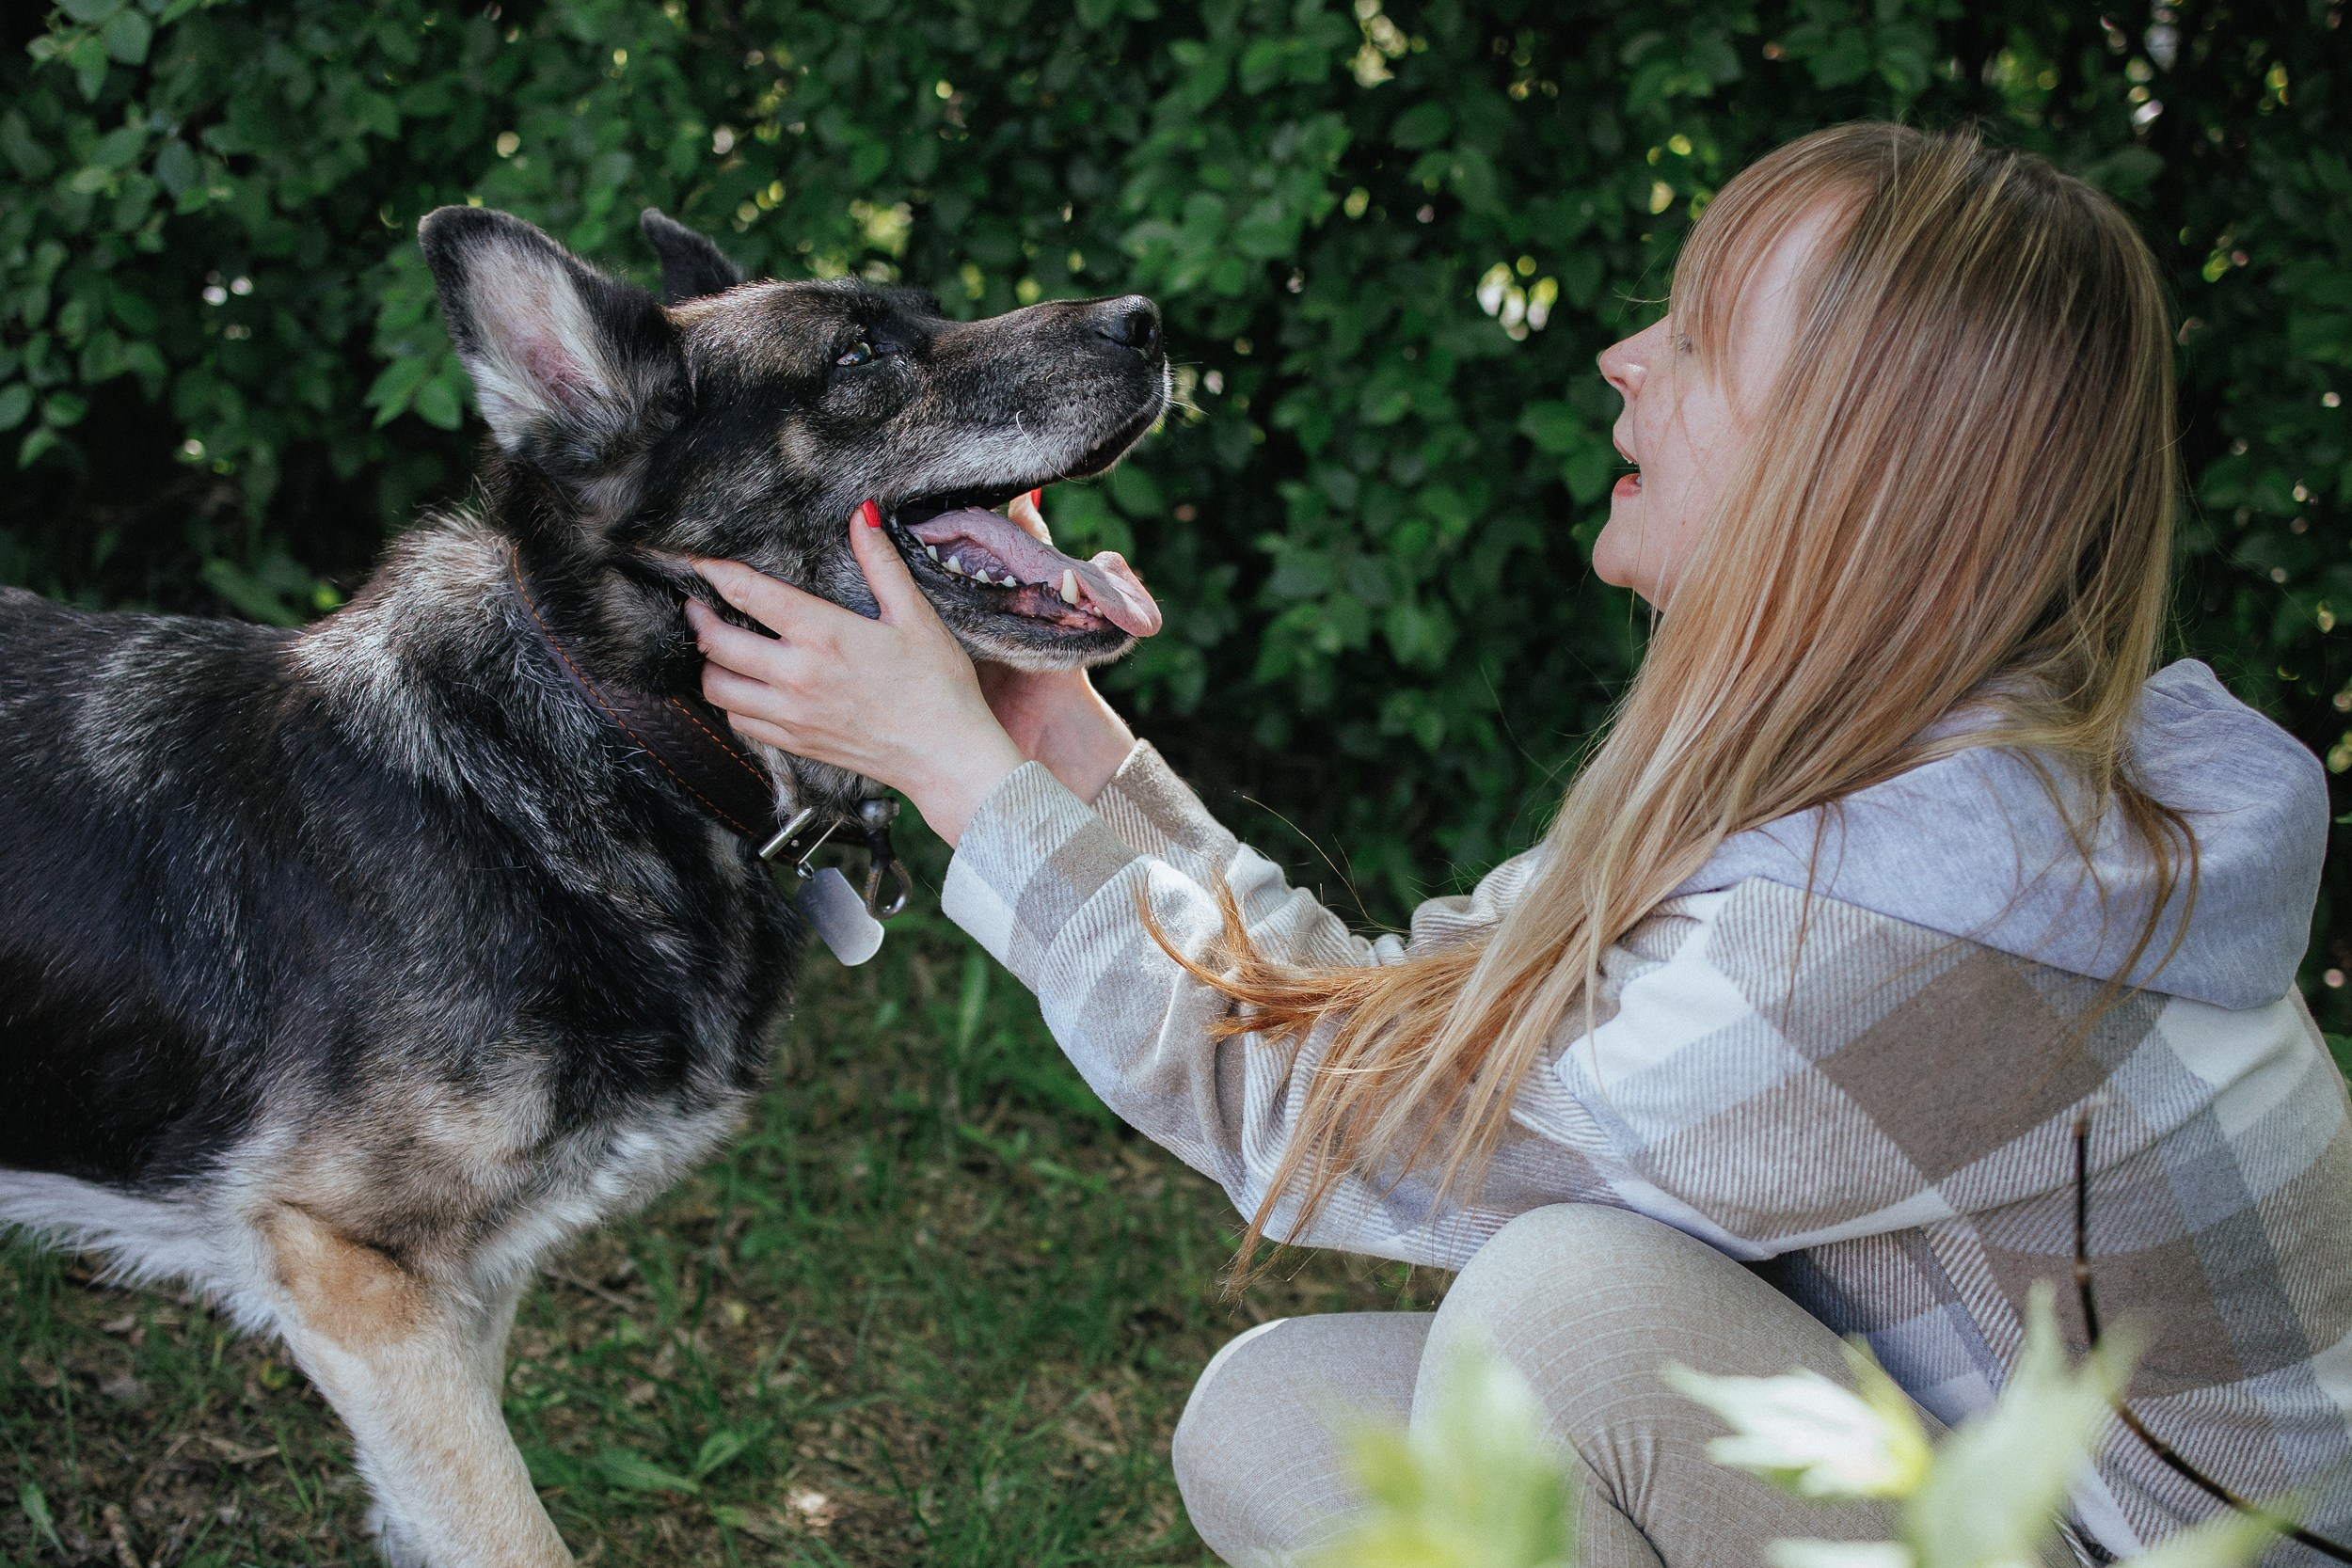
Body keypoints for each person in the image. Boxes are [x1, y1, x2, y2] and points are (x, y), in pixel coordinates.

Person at [683, 123, 2345, 1565]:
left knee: (1562, 1315)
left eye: (1698, 341)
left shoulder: (1931, 924)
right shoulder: (1888, 788)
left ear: (1868, 477)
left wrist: (957, 776)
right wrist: (1064, 743)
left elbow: (1347, 1131)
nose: (1624, 355)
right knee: (1285, 1422)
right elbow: (1400, 1017)